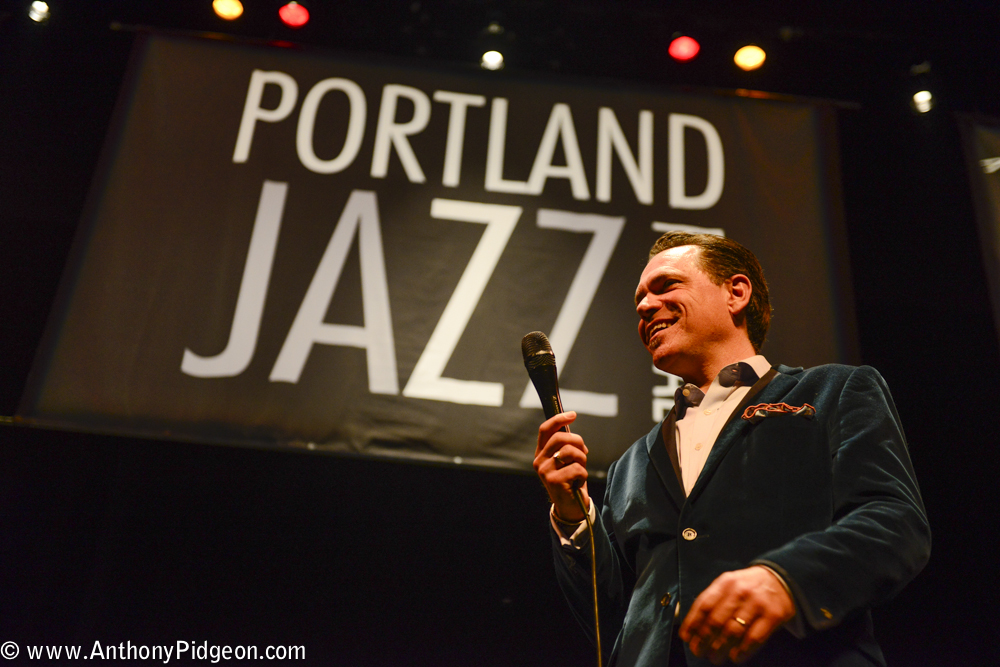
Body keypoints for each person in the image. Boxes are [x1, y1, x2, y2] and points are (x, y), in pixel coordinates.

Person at [534, 232, 930, 666]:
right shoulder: (632, 463)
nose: (645, 306)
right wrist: (571, 514)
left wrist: (785, 581)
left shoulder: (833, 391)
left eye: (665, 286)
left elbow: (895, 523)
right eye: (639, 300)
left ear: (736, 293)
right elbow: (613, 615)